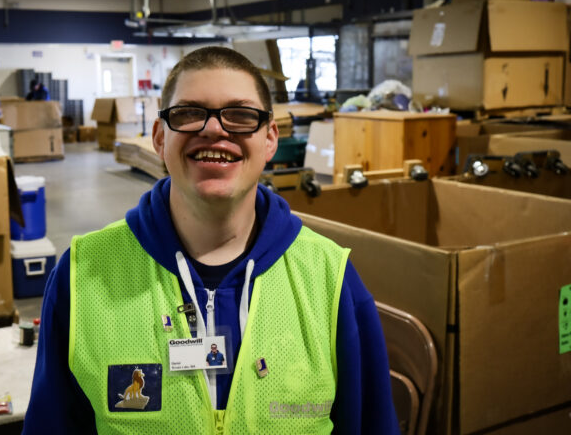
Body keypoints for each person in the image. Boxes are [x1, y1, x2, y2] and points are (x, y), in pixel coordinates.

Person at [23, 46, 398, 434]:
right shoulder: (83, 275)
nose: (214, 129)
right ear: (159, 137)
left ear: (270, 139)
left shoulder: (330, 280)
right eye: (189, 113)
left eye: (240, 115)